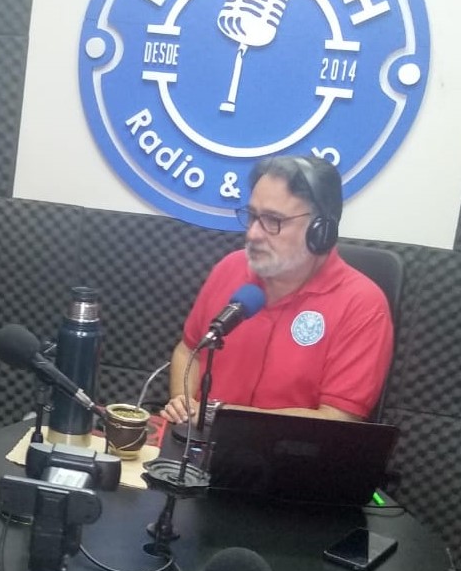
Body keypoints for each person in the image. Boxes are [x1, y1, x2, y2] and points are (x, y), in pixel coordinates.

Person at [161, 155, 393, 425]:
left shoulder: (362, 304)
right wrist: (184, 403)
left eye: (273, 220)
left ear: (320, 230)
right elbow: (189, 351)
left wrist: (214, 416)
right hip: (196, 442)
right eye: (252, 216)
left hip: (290, 451)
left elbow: (338, 418)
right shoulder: (230, 268)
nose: (253, 234)